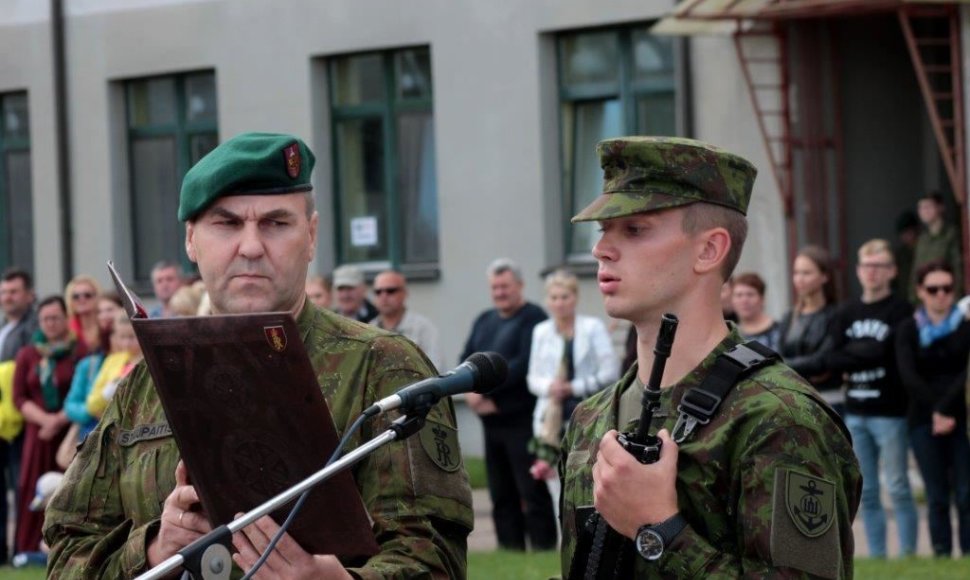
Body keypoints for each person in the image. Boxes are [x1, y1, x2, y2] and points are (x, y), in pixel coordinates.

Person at [44, 132, 472, 578]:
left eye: (276, 224)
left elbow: (433, 559)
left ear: (311, 235)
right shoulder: (148, 383)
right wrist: (156, 548)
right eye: (226, 224)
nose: (250, 247)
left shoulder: (384, 369)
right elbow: (67, 550)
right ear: (192, 240)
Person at [560, 136, 860, 578]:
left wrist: (660, 529)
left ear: (709, 250)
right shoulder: (590, 419)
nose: (600, 249)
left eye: (635, 229)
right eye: (603, 230)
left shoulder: (778, 419)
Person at [827, 238, 916, 558]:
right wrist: (861, 356)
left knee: (898, 486)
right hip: (855, 411)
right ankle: (878, 557)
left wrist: (858, 356)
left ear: (892, 271)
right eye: (867, 265)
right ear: (858, 270)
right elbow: (835, 358)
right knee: (868, 493)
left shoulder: (902, 310)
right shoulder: (846, 312)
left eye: (879, 266)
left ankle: (907, 556)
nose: (872, 272)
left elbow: (890, 354)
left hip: (890, 412)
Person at [461, 258, 556, 551]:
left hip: (520, 419)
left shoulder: (534, 318)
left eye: (505, 286)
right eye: (495, 287)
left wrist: (489, 395)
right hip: (490, 424)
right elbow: (467, 357)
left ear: (520, 286)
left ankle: (543, 549)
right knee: (501, 492)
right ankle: (509, 548)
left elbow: (524, 364)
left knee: (531, 490)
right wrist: (469, 392)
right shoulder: (484, 320)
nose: (500, 293)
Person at [526, 269, 618, 522]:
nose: (559, 303)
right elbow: (532, 379)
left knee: (586, 482)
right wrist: (550, 387)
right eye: (554, 297)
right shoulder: (541, 332)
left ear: (575, 298)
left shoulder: (592, 327)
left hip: (585, 413)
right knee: (555, 483)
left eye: (564, 296)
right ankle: (562, 543)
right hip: (550, 419)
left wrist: (574, 387)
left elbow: (610, 372)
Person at [895, 261, 970, 557]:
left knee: (965, 493)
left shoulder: (966, 328)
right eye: (933, 289)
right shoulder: (908, 329)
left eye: (947, 289)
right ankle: (941, 552)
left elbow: (966, 373)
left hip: (960, 419)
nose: (941, 295)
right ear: (920, 292)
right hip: (923, 420)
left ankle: (967, 554)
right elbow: (908, 376)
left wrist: (946, 410)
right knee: (936, 495)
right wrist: (936, 411)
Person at [13, 295, 87, 557]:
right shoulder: (28, 354)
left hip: (68, 432)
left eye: (55, 317)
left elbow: (83, 390)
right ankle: (29, 547)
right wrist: (45, 420)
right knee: (33, 487)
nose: (50, 323)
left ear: (65, 318)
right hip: (38, 432)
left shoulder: (79, 350)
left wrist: (59, 420)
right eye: (45, 319)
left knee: (66, 488)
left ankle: (63, 546)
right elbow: (19, 396)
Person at [0, 268, 37, 564]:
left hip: (23, 423)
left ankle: (20, 551)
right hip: (2, 421)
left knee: (21, 488)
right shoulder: (3, 327)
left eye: (13, 291)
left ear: (28, 295)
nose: (6, 297)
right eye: (3, 292)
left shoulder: (32, 328)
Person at [778, 246, 843, 415]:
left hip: (828, 400)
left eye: (806, 273)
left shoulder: (836, 315)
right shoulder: (790, 317)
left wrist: (786, 365)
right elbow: (778, 357)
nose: (799, 279)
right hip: (793, 399)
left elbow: (823, 361)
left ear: (824, 276)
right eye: (796, 273)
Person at [369, 269, 444, 371]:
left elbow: (436, 369)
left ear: (404, 293)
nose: (384, 296)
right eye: (378, 292)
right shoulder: (369, 329)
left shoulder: (422, 328)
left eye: (391, 291)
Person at [910, 191, 963, 302]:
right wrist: (913, 298)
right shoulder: (922, 239)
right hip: (925, 297)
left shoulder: (952, 234)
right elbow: (916, 270)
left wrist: (956, 297)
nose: (924, 211)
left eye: (928, 206)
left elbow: (958, 267)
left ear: (940, 207)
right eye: (921, 208)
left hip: (944, 294)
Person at [731, 272, 780, 351]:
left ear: (762, 299)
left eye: (750, 294)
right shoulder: (730, 336)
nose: (744, 300)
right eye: (739, 295)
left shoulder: (781, 331)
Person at [64, 276, 102, 353]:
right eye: (76, 296)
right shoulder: (66, 328)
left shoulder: (105, 324)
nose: (81, 299)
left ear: (97, 297)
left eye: (87, 295)